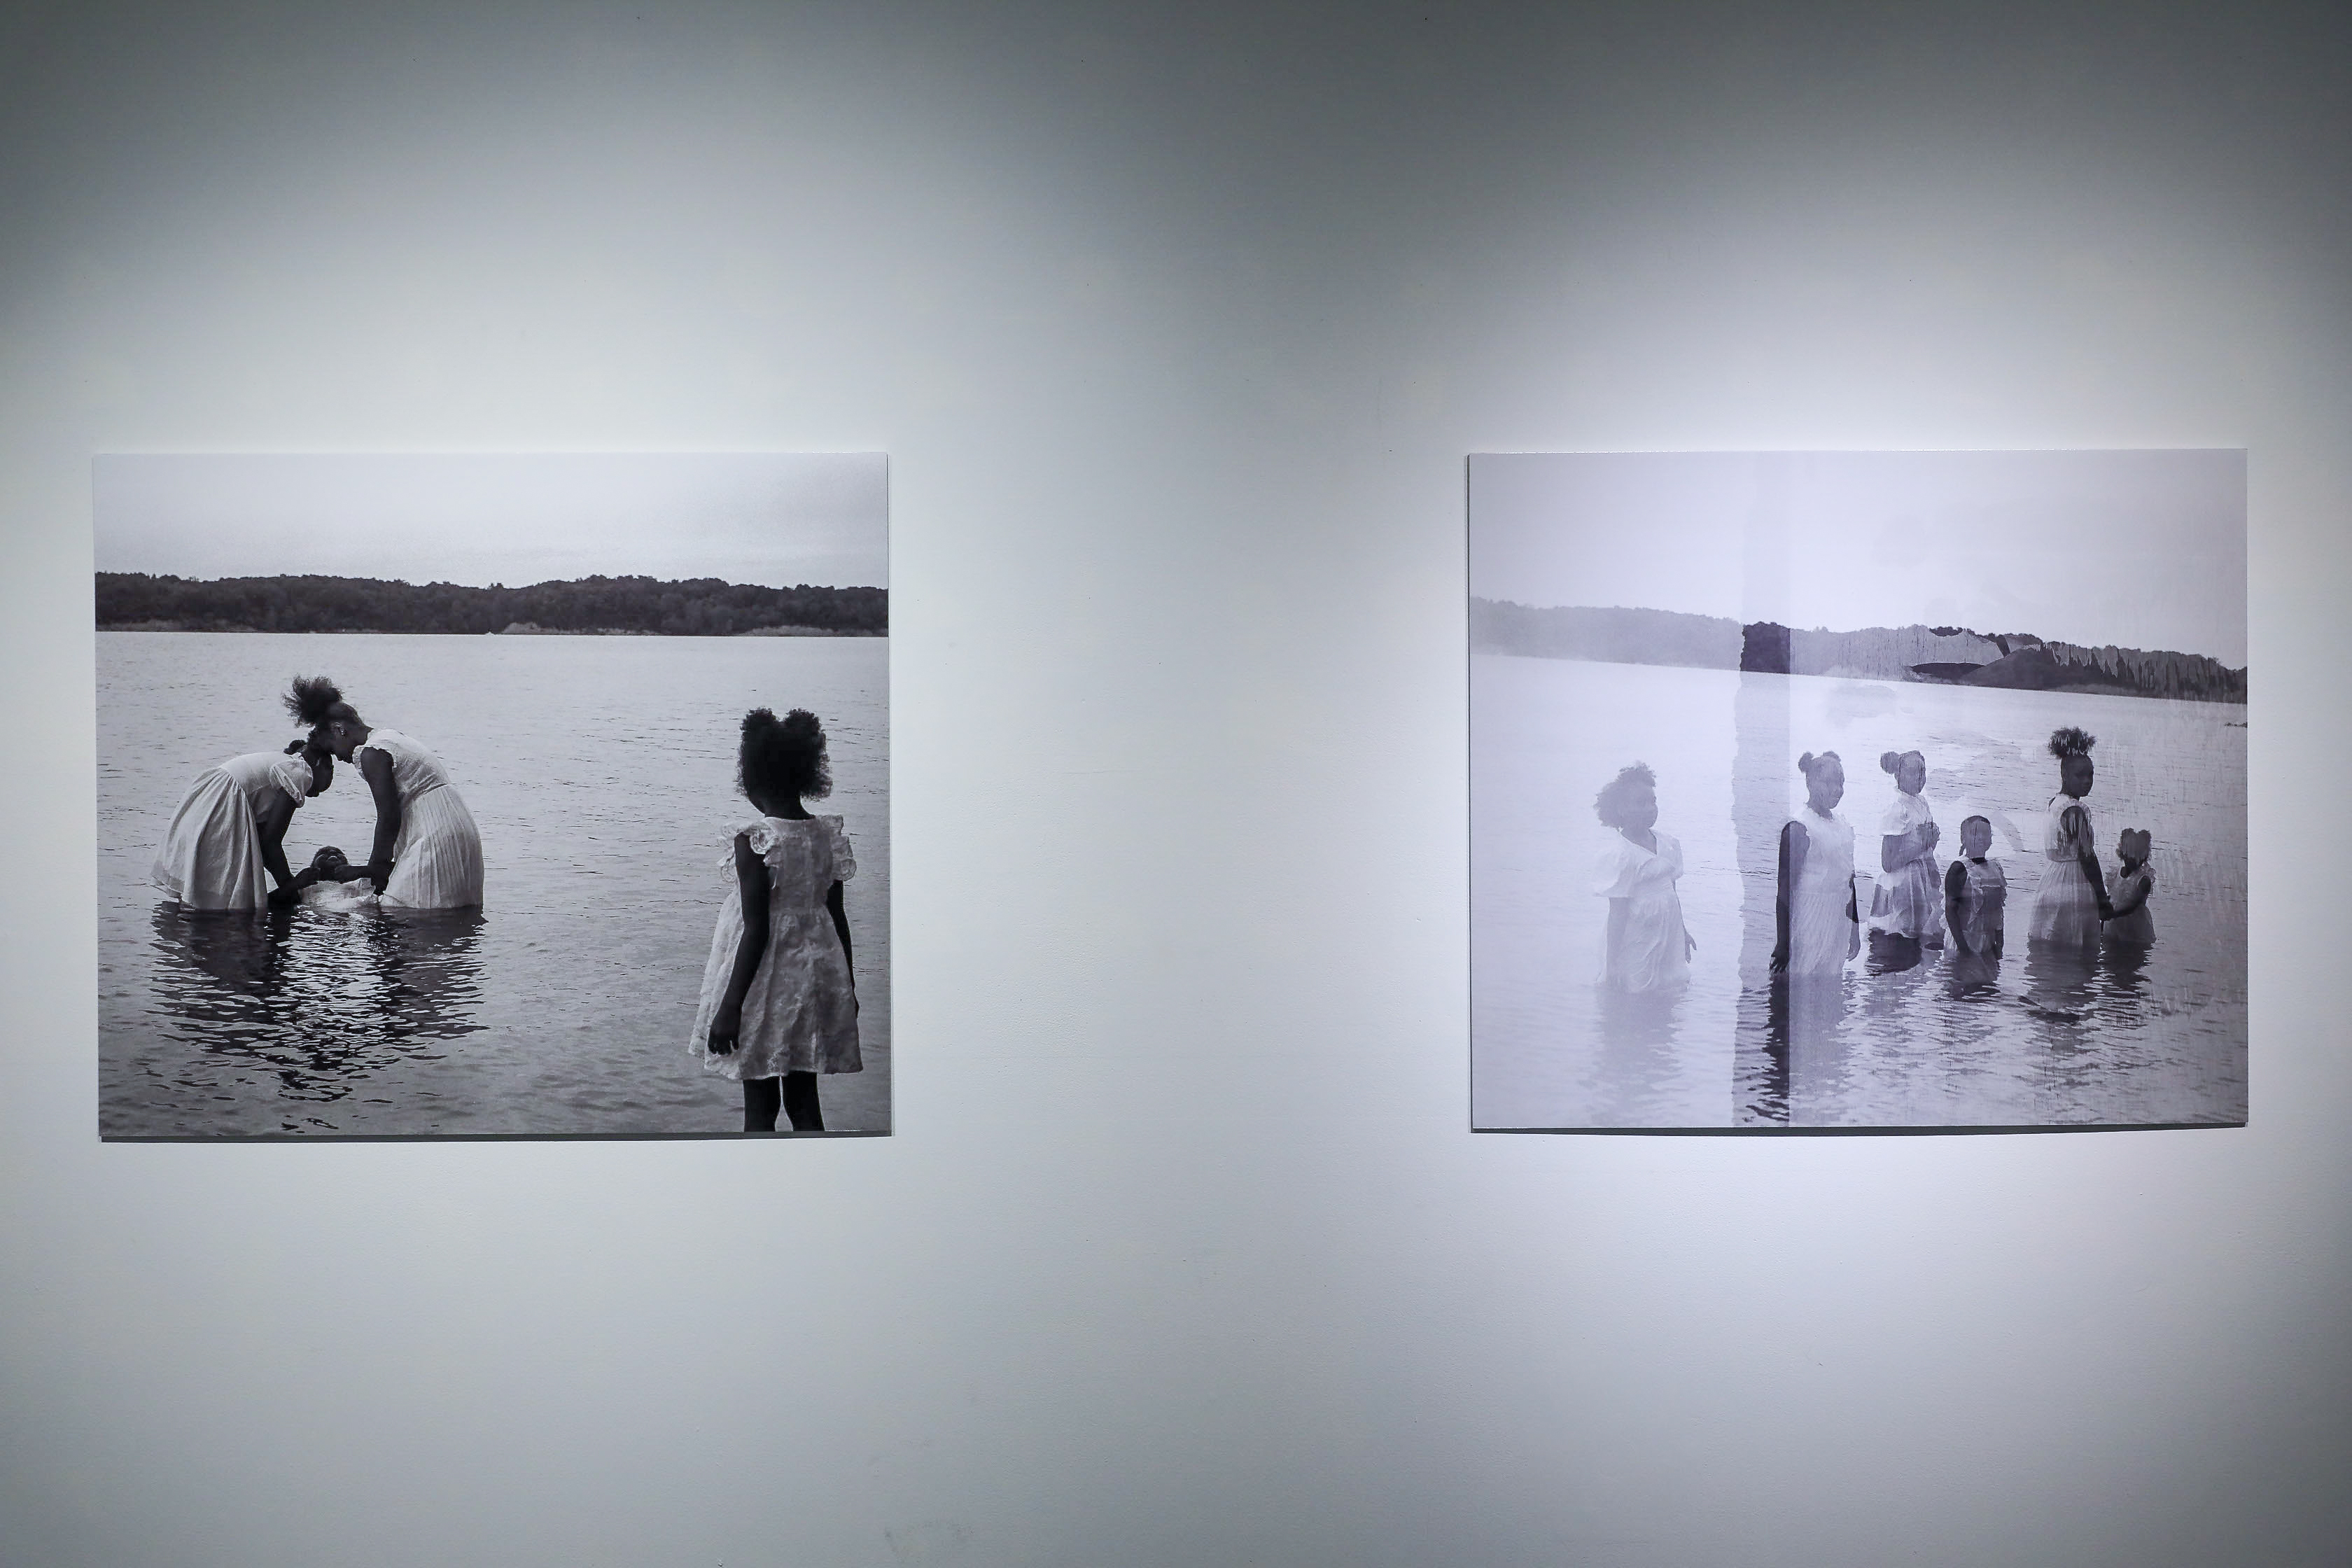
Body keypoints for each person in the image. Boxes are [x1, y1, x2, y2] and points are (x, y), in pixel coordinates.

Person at [690, 708, 862, 1133]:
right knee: (804, 1101)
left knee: (760, 1106)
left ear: (751, 779)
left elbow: (757, 928)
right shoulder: (826, 836)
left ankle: (757, 1187)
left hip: (764, 988)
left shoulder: (757, 839)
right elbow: (837, 919)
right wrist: (849, 988)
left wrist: (730, 1008)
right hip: (815, 981)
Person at [292, 675, 485, 909]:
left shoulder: (371, 752)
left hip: (434, 830)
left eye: (333, 749)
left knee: (402, 909)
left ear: (339, 730)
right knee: (445, 911)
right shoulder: (391, 737)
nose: (340, 758)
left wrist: (373, 870)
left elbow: (388, 816)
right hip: (454, 822)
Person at [151, 737, 334, 910]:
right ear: (321, 765)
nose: (315, 794)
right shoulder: (299, 772)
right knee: (228, 906)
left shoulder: (278, 769)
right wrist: (292, 886)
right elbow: (271, 844)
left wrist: (292, 885)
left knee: (203, 898)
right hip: (222, 808)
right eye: (328, 778)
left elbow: (264, 848)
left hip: (203, 807)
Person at [1591, 762, 1694, 993]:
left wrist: (1683, 932)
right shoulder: (1621, 855)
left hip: (1668, 928)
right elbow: (1617, 911)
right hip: (1637, 932)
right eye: (1641, 803)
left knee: (1669, 986)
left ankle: (1660, 1029)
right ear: (1621, 810)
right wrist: (1613, 962)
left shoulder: (1668, 844)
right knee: (1636, 988)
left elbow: (1672, 892)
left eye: (1653, 802)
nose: (1650, 809)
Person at [1771, 750, 1859, 976]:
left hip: (1837, 918)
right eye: (1828, 783)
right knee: (1803, 978)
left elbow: (1849, 880)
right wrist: (1783, 944)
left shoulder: (1842, 825)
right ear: (1810, 782)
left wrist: (1854, 930)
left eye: (1841, 783)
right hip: (1810, 917)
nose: (1836, 790)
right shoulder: (1800, 826)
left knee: (1830, 982)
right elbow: (1784, 889)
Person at [2027, 726, 2115, 945]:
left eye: (2091, 775)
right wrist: (2102, 897)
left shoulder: (2056, 802)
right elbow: (2087, 855)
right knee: (2075, 943)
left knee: (2054, 938)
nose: (2087, 781)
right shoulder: (2073, 810)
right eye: (2080, 775)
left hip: (2053, 877)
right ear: (2064, 775)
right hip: (2072, 881)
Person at [1872, 749, 1944, 951]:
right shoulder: (1897, 809)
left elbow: (1923, 846)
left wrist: (1931, 839)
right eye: (1913, 772)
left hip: (1923, 877)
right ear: (1898, 775)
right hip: (1903, 884)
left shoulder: (1921, 802)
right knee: (1901, 937)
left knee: (1923, 938)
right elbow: (1888, 864)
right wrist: (1922, 844)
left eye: (1923, 772)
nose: (1919, 778)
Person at [1942, 814, 2007, 990]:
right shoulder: (1958, 868)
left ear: (1991, 841)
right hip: (1963, 940)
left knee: (1986, 988)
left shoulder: (1995, 868)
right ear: (1964, 838)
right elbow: (1951, 912)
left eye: (1986, 834)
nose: (1981, 838)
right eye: (1975, 833)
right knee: (1961, 986)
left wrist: (1999, 942)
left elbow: (1998, 910)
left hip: (1987, 941)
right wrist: (1964, 950)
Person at [287, 846, 382, 913]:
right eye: (323, 853)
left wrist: (361, 871)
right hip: (318, 917)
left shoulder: (360, 882)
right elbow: (275, 902)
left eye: (339, 853)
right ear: (313, 866)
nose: (332, 853)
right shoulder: (304, 888)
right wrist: (295, 884)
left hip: (356, 913)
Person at [2104, 828, 2157, 946]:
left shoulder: (2144, 880)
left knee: (2131, 958)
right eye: (2128, 856)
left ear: (2143, 857)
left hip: (2134, 929)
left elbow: (2132, 906)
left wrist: (2111, 914)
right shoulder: (2116, 872)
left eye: (2135, 857)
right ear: (2122, 853)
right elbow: (2111, 895)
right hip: (2113, 926)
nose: (2131, 860)